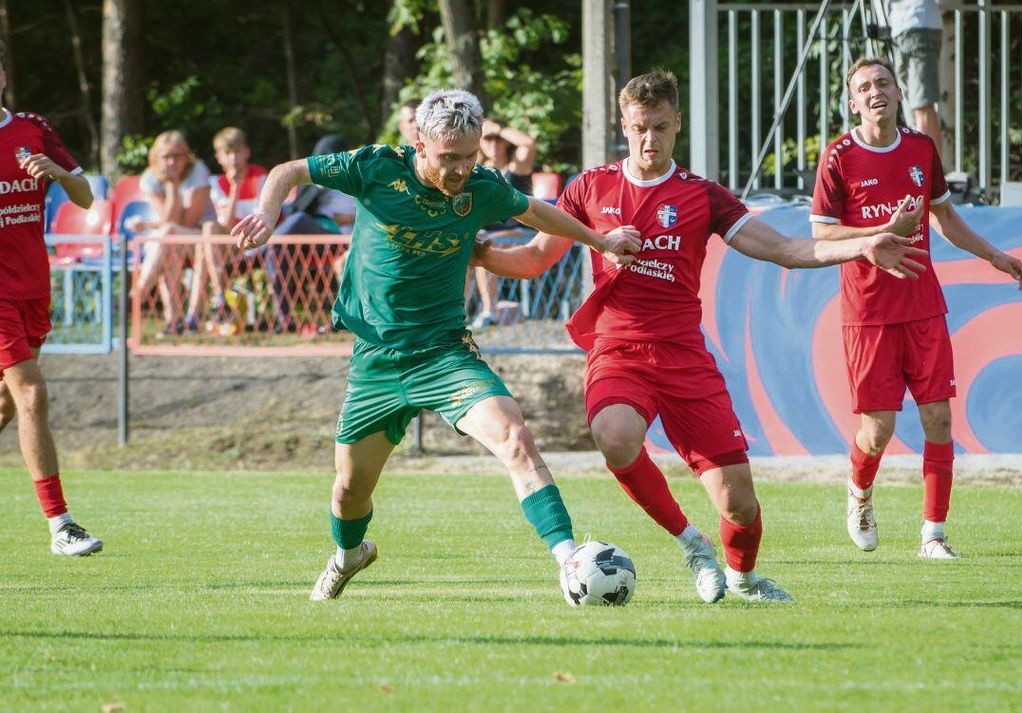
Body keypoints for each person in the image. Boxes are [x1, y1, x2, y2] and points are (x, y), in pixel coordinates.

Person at [475, 69, 927, 603]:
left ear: (678, 124)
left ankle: (743, 577)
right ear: (624, 124)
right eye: (639, 127)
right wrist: (479, 252)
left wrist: (865, 244)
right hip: (617, 349)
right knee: (615, 436)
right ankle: (691, 543)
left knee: (740, 507)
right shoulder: (590, 187)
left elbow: (784, 249)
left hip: (684, 356)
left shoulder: (700, 196)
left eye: (660, 127)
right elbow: (532, 259)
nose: (649, 139)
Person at [231, 89, 642, 601]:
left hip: (444, 353)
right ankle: (348, 556)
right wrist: (269, 215)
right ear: (419, 143)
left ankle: (567, 560)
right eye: (449, 157)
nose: (460, 171)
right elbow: (289, 171)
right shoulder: (374, 168)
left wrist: (600, 240)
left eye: (470, 157)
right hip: (376, 359)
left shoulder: (482, 187)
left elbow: (538, 213)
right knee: (350, 490)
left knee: (515, 438)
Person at [810, 57, 1022, 559]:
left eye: (882, 82)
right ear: (852, 103)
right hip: (867, 312)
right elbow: (821, 233)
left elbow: (945, 216)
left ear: (897, 90)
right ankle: (860, 492)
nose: (874, 92)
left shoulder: (920, 148)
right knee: (878, 429)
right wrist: (883, 232)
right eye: (863, 87)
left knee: (939, 420)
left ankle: (933, 534)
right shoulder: (838, 158)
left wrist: (995, 255)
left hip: (924, 305)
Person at [0, 61, 102, 555]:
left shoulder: (32, 129)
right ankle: (61, 525)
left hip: (34, 287)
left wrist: (59, 172)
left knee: (8, 402)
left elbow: (85, 198)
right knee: (33, 395)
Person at [131, 130, 216, 335]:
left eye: (177, 155)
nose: (171, 162)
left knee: (168, 235)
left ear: (187, 156)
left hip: (202, 236)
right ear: (156, 158)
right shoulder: (150, 178)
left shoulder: (198, 171)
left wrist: (174, 184)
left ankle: (138, 295)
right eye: (165, 156)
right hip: (171, 240)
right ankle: (174, 321)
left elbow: (187, 221)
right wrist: (171, 186)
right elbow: (171, 221)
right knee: (169, 249)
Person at [270, 133, 357, 332]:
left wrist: (344, 217)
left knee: (296, 223)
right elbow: (295, 208)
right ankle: (283, 320)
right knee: (277, 250)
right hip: (315, 238)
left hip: (344, 239)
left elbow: (365, 213)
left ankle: (256, 252)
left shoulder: (355, 182)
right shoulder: (317, 184)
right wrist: (319, 184)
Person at [186, 127, 268, 330]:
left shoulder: (261, 177)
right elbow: (227, 224)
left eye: (237, 152)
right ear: (219, 157)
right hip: (227, 246)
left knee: (205, 243)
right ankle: (217, 298)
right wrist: (235, 188)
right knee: (208, 233)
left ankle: (202, 309)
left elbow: (260, 220)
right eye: (227, 153)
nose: (233, 158)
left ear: (246, 152)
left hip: (255, 242)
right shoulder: (217, 183)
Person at [468, 118, 539, 329]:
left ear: (506, 141)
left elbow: (529, 144)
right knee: (463, 251)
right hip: (486, 233)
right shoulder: (476, 170)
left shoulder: (517, 166)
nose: (493, 143)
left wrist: (497, 128)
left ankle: (489, 312)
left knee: (485, 249)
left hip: (519, 232)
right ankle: (457, 314)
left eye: (498, 139)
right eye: (487, 139)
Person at [885, 0, 944, 159]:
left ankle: (931, 176)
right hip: (899, 28)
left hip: (919, 23)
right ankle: (919, 172)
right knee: (910, 109)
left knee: (922, 106)